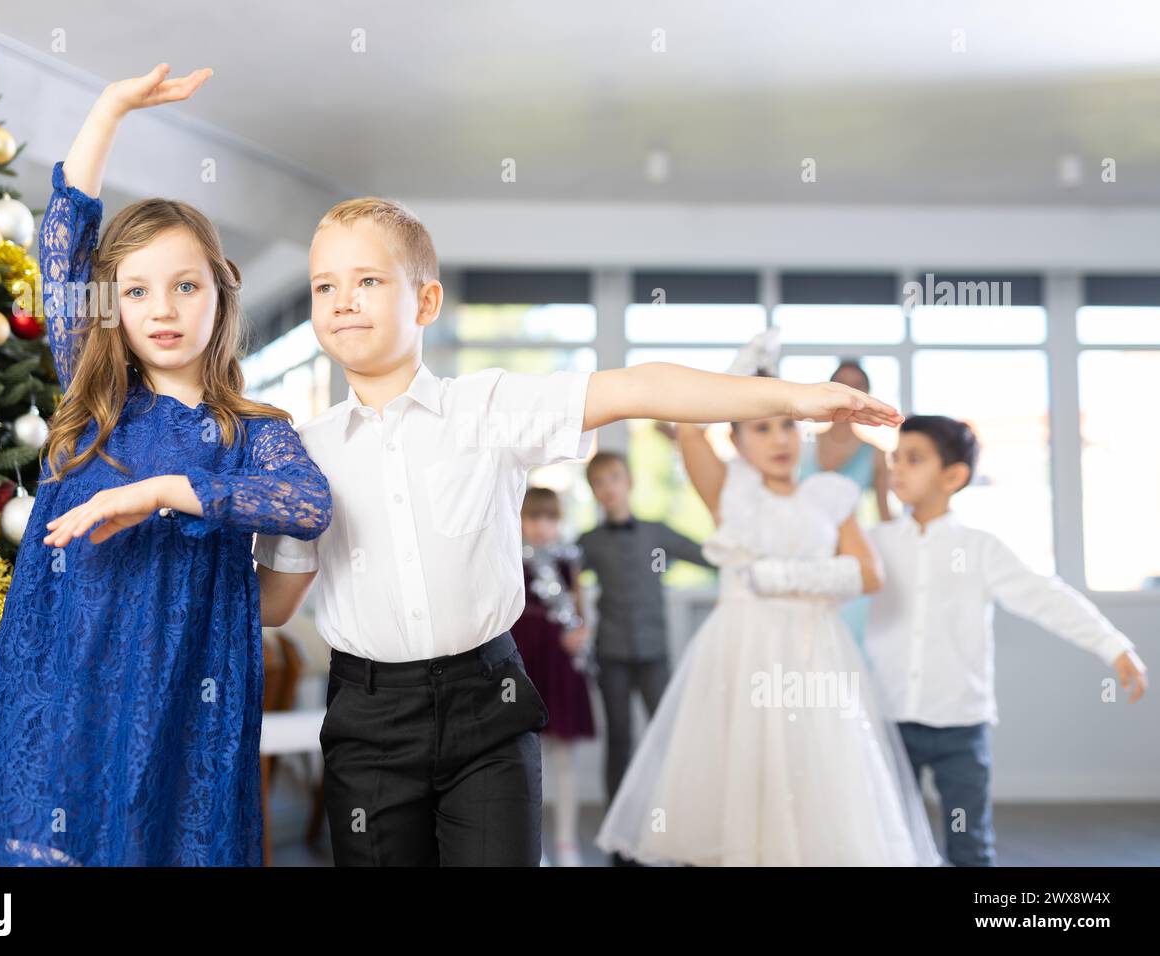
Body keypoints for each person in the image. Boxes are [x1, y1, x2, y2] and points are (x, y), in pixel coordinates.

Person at [252, 197, 902, 866]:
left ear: (426, 301)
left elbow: (640, 387)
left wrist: (793, 396)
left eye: (367, 280)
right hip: (369, 720)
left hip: (487, 706)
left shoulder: (489, 408)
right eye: (324, 285)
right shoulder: (299, 451)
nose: (341, 300)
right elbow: (275, 602)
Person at [0, 65, 332, 866]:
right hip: (66, 695)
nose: (162, 309)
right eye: (137, 292)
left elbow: (307, 503)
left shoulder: (252, 431)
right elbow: (64, 236)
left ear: (221, 299)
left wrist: (166, 491)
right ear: (108, 308)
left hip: (183, 701)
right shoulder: (96, 408)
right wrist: (110, 109)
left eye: (185, 286)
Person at [595, 334, 938, 866]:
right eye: (761, 426)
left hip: (813, 650)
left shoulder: (829, 496)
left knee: (823, 775)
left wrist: (778, 577)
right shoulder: (728, 489)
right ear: (737, 439)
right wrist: (740, 372)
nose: (779, 438)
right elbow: (688, 426)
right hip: (743, 650)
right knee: (744, 774)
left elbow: (868, 574)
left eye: (786, 424)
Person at [864, 414, 1149, 866]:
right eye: (895, 458)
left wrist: (1112, 644)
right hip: (890, 717)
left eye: (914, 459)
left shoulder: (980, 548)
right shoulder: (873, 543)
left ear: (953, 476)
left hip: (961, 722)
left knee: (969, 842)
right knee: (889, 837)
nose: (897, 467)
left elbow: (1045, 597)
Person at [576, 449, 715, 865]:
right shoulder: (589, 543)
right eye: (599, 483)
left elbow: (706, 555)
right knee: (620, 742)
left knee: (669, 739)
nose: (609, 488)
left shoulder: (657, 533)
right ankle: (620, 839)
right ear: (594, 492)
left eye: (614, 478)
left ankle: (681, 831)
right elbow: (559, 578)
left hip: (654, 653)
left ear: (629, 481)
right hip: (612, 656)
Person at [515, 487, 595, 866]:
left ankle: (566, 843)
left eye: (549, 518)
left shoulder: (568, 559)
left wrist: (581, 632)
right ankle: (535, 846)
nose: (541, 527)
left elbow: (578, 607)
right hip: (524, 662)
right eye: (533, 518)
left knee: (564, 758)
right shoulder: (512, 558)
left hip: (560, 662)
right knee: (527, 762)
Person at [796, 359, 892, 655]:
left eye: (858, 386)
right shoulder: (801, 447)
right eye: (843, 384)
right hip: (803, 562)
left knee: (847, 652)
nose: (850, 392)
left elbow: (885, 516)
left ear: (867, 395)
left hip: (849, 568)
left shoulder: (874, 455)